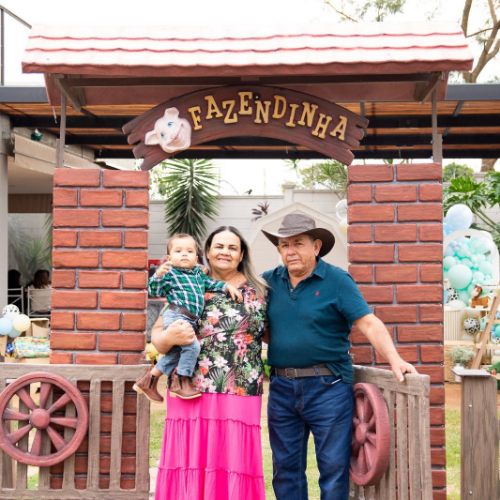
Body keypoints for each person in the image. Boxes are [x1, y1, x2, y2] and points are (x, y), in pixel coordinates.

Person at [261, 213, 417, 500]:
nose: (290, 251)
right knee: (284, 470)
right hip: (281, 387)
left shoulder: (337, 280)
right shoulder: (269, 282)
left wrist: (395, 359)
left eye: (298, 243)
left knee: (333, 470)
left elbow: (368, 323)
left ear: (316, 246)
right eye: (284, 245)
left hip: (328, 387)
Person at [153, 226, 268, 500]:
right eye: (219, 246)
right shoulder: (188, 282)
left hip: (241, 387)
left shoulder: (260, 290)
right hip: (190, 387)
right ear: (206, 251)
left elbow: (274, 333)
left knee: (235, 459)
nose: (225, 252)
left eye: (232, 248)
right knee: (190, 459)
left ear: (242, 255)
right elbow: (158, 337)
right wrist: (168, 337)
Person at [134, 233, 242, 401]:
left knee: (176, 353)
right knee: (193, 347)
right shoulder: (171, 274)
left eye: (189, 251)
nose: (184, 254)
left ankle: (148, 381)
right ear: (169, 258)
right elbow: (154, 291)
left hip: (189, 318)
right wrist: (158, 276)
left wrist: (227, 287)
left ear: (196, 258)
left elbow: (212, 283)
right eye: (178, 251)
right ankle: (181, 381)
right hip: (177, 315)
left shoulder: (198, 275)